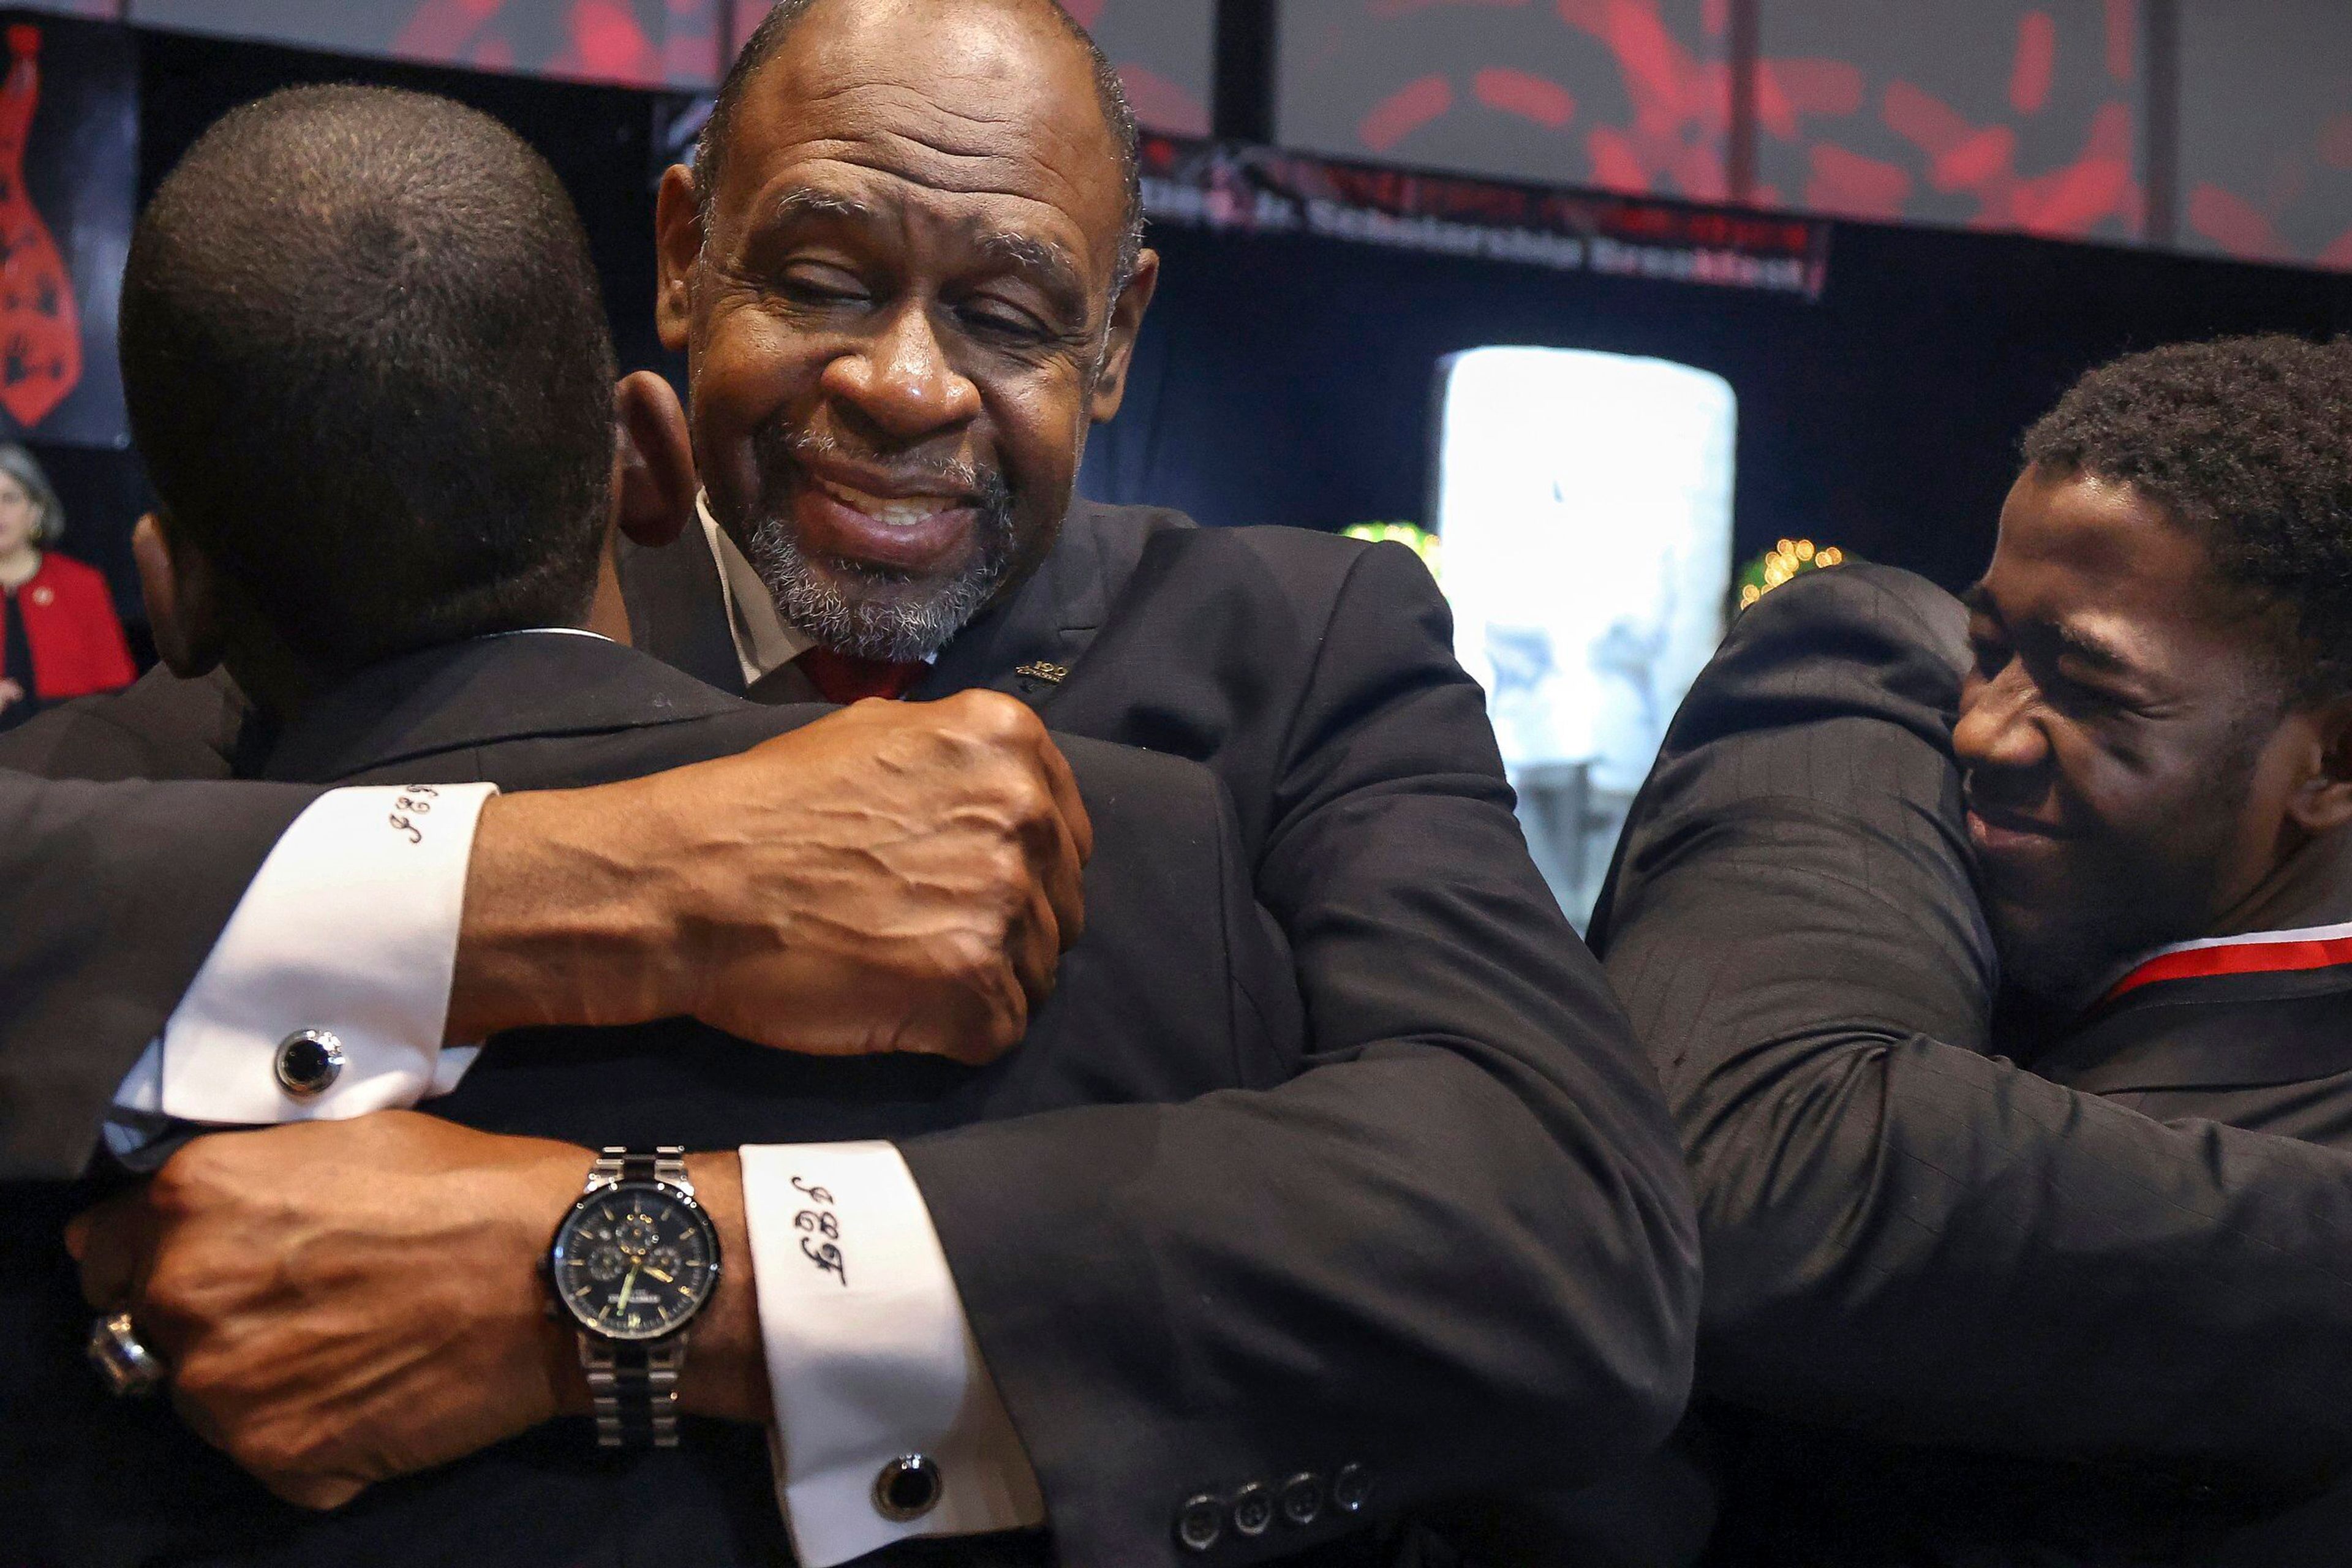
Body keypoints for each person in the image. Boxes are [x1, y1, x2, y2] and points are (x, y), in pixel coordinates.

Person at [18, 5, 1702, 1563]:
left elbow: (1559, 1237)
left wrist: (615, 1268)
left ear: (1116, 340)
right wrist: (594, 881)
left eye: (1007, 313)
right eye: (824, 279)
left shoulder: (1302, 645)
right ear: (684, 260)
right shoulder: (447, 579)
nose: (905, 384)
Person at [1592, 334, 2352, 1565]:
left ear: (2331, 763)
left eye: (2094, 691)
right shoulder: (1918, 749)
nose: (1983, 728)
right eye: (1990, 645)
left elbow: (1766, 1191)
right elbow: (1758, 1167)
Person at [0, 441, 133, 730]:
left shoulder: (81, 584)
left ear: (37, 511)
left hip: (66, 752)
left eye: (9, 499)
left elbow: (117, 692)